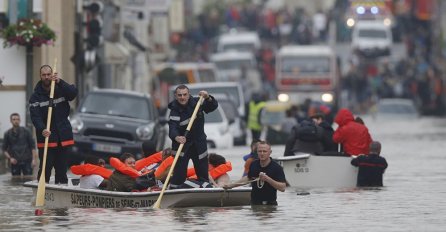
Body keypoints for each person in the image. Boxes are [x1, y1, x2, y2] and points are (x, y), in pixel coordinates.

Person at [29, 65, 78, 184]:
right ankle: (41, 191)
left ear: (52, 75)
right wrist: (42, 129)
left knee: (61, 170)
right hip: (47, 137)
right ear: (40, 76)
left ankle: (61, 191)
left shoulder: (61, 89)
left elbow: (72, 93)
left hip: (63, 137)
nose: (46, 77)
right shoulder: (35, 97)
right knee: (45, 169)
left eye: (48, 75)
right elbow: (35, 117)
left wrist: (60, 82)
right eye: (44, 75)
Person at [167, 84, 218, 189]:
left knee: (203, 176)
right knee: (178, 177)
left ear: (188, 94)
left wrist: (208, 97)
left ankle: (204, 189)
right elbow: (173, 128)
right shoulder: (174, 110)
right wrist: (177, 137)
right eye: (180, 95)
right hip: (182, 146)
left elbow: (212, 106)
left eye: (185, 95)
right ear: (176, 96)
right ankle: (175, 191)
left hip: (199, 145)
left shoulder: (197, 103)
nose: (182, 97)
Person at [224, 141, 286, 205]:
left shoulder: (277, 167)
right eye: (260, 151)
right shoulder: (253, 164)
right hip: (254, 204)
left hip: (270, 205)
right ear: (257, 152)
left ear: (270, 152)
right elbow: (248, 178)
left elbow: (283, 188)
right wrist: (231, 185)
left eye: (264, 151)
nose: (262, 153)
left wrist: (268, 179)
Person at [2, 113, 38, 177]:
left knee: (28, 179)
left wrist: (34, 159)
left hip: (27, 160)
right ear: (11, 121)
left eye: (18, 119)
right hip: (15, 161)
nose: (16, 121)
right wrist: (10, 158)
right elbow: (4, 149)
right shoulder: (7, 133)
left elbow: (33, 146)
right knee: (15, 182)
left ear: (20, 120)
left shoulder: (26, 131)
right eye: (14, 119)